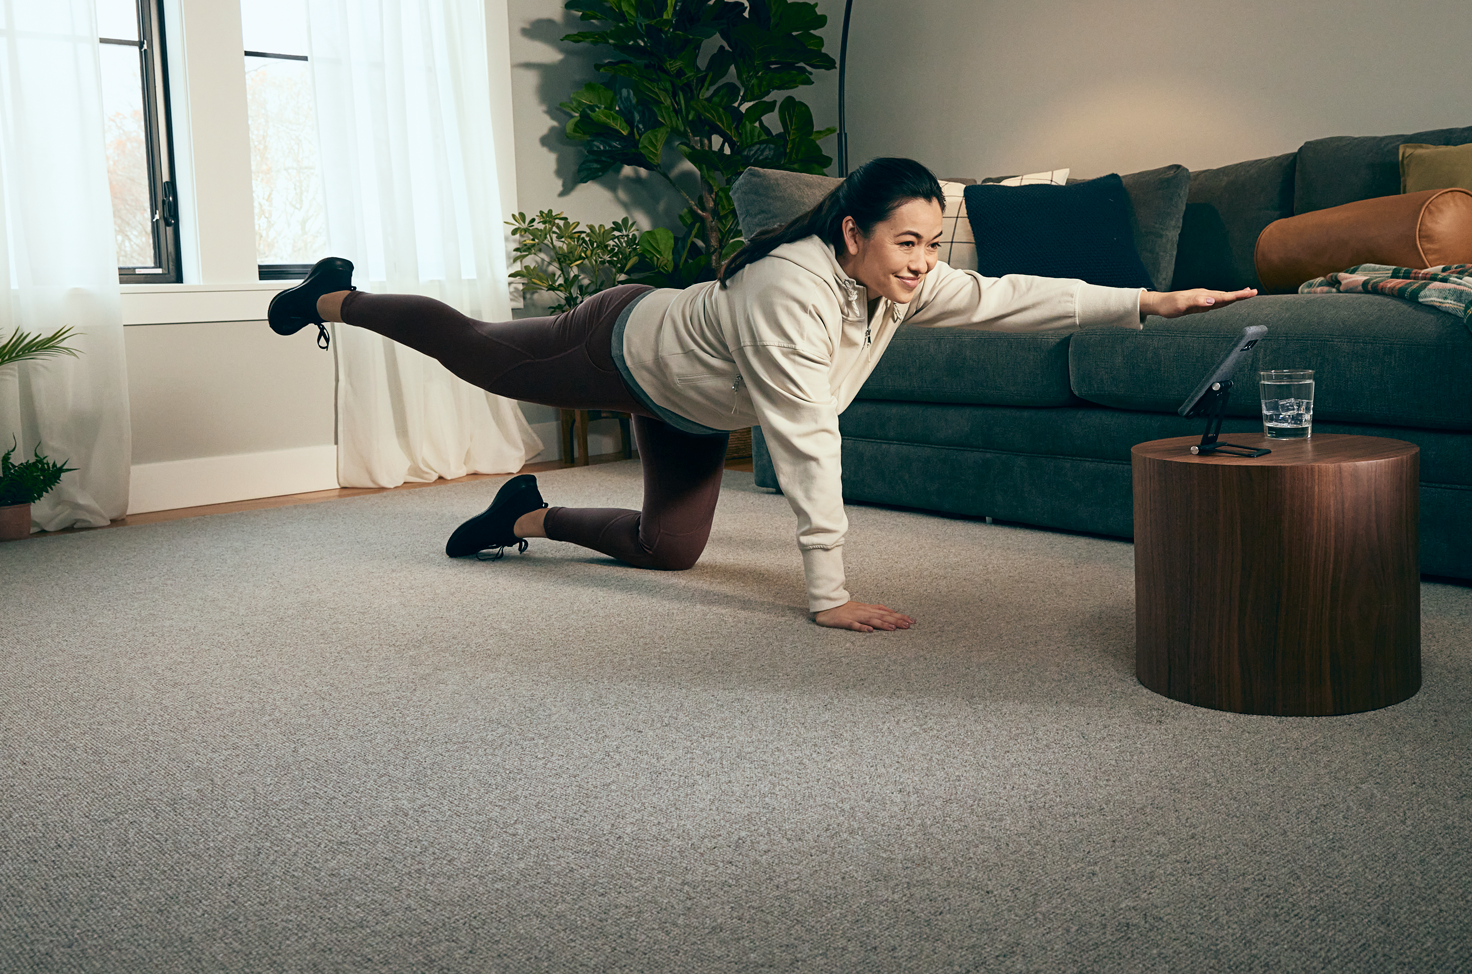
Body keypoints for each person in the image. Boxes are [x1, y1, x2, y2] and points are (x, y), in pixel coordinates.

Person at [268, 158, 1255, 632]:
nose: (922, 263)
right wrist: (826, 591)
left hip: (692, 404)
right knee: (482, 349)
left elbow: (1009, 295)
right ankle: (334, 293)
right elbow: (807, 433)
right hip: (620, 345)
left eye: (929, 242)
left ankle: (526, 511)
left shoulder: (900, 286)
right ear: (851, 235)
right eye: (903, 242)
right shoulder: (788, 291)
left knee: (670, 550)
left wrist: (1150, 299)